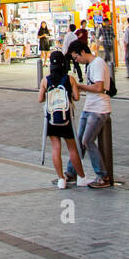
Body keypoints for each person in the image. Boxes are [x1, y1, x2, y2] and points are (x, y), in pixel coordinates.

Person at [38, 50, 91, 190]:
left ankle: (61, 179)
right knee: (72, 148)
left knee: (56, 148)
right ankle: (81, 177)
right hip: (66, 117)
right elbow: (77, 97)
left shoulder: (45, 80)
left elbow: (40, 99)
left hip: (51, 118)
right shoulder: (70, 79)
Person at [63, 40, 112, 188]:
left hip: (99, 109)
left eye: (76, 57)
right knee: (79, 141)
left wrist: (79, 86)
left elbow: (98, 87)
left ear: (82, 52)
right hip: (90, 107)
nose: (76, 60)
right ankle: (71, 172)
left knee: (87, 141)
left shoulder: (97, 64)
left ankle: (103, 176)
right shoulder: (91, 65)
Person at [97, 16, 116, 84]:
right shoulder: (102, 29)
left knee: (107, 56)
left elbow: (113, 35)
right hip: (105, 43)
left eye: (107, 22)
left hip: (110, 43)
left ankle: (104, 64)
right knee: (108, 55)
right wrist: (98, 44)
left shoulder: (111, 28)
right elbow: (98, 36)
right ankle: (109, 67)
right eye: (105, 22)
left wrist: (113, 39)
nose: (107, 23)